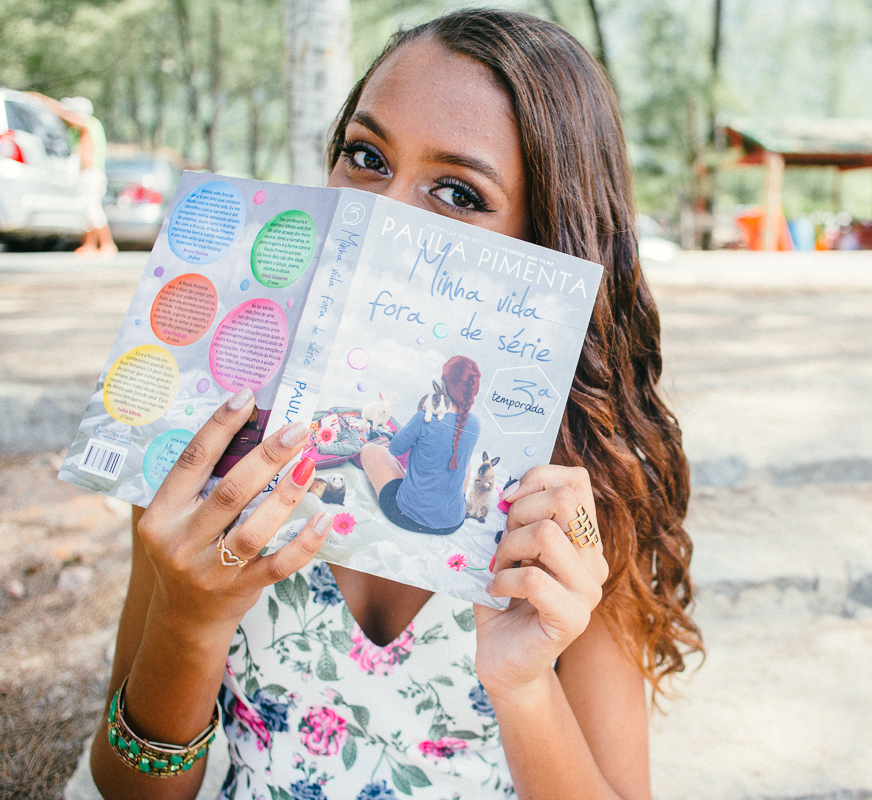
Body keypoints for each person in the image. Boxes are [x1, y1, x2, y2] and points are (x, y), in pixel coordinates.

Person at [89, 10, 700, 799]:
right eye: (366, 156)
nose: (385, 212)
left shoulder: (579, 496)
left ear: (548, 242)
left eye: (456, 192)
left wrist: (522, 685)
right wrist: (188, 623)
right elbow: (127, 788)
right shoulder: (216, 435)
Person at [360, 355, 482, 535]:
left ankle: (410, 488)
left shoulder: (424, 418)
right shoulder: (474, 424)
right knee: (465, 460)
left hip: (406, 515)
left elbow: (395, 449)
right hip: (452, 522)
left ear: (442, 384)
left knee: (369, 450)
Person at [28, 93, 117, 255]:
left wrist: (42, 100)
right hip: (86, 174)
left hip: (92, 173)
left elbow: (65, 114)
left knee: (93, 208)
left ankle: (107, 244)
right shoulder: (80, 130)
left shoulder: (89, 124)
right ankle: (90, 245)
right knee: (87, 210)